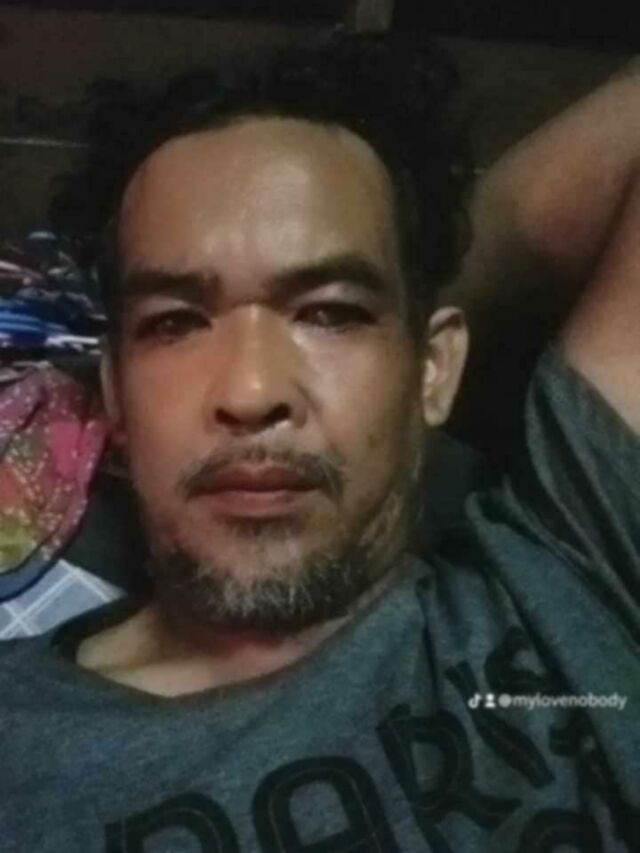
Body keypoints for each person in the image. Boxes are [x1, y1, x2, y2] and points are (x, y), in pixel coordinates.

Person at [0, 32, 638, 851]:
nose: (251, 392)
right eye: (175, 322)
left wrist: (407, 274)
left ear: (437, 367)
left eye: (332, 312)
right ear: (114, 393)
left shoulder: (574, 562)